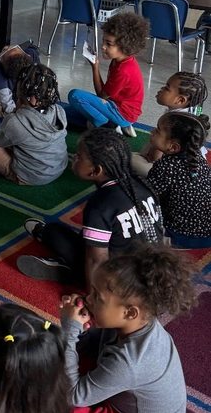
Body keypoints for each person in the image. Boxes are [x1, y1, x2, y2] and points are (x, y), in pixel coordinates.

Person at [60, 244, 197, 413]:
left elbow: (73, 396)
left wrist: (69, 330)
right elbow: (95, 346)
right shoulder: (138, 324)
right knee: (59, 358)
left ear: (130, 312)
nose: (89, 300)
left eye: (98, 298)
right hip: (120, 398)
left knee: (58, 411)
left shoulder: (130, 361)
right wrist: (80, 328)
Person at [18, 128, 163, 288]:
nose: (74, 158)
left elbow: (96, 260)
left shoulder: (100, 204)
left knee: (55, 232)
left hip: (119, 283)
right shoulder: (141, 184)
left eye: (79, 157)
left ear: (95, 170)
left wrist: (94, 299)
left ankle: (69, 271)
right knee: (92, 236)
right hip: (152, 271)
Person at [0, 63, 68, 185]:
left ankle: (11, 174)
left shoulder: (16, 121)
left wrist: (15, 112)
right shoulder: (59, 110)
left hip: (32, 176)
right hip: (59, 167)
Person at [65, 13, 149, 133]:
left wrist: (95, 67)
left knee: (75, 95)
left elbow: (101, 96)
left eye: (108, 44)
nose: (103, 47)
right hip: (112, 105)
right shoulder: (119, 60)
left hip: (122, 114)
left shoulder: (124, 70)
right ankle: (108, 123)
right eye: (104, 42)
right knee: (65, 113)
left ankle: (108, 126)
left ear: (125, 46)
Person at [146, 112, 211, 247]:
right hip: (207, 233)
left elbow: (146, 198)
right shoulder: (198, 158)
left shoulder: (165, 166)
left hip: (180, 236)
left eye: (157, 130)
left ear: (174, 147)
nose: (152, 131)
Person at [131, 72, 208, 177]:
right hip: (183, 164)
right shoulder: (186, 114)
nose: (161, 89)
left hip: (172, 172)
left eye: (167, 88)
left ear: (180, 100)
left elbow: (156, 154)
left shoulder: (175, 120)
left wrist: (148, 158)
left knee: (130, 159)